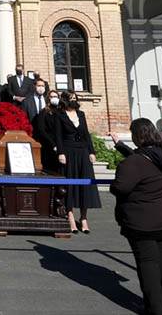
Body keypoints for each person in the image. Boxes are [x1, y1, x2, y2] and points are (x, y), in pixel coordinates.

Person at [110, 118, 162, 315]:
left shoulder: (133, 163)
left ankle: (155, 308)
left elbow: (120, 187)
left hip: (141, 221)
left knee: (147, 264)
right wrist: (122, 147)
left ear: (136, 136)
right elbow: (145, 162)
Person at [53, 91, 101, 233]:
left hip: (82, 152)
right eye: (71, 98)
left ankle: (84, 218)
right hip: (68, 152)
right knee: (71, 184)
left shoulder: (81, 114)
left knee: (84, 183)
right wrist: (61, 153)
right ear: (65, 100)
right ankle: (70, 215)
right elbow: (58, 136)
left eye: (75, 98)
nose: (74, 100)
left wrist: (91, 152)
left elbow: (86, 134)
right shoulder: (59, 115)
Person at [32, 88, 61, 173]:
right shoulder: (43, 112)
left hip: (60, 144)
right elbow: (41, 130)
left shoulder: (61, 112)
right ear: (48, 98)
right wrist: (53, 144)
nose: (53, 98)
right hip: (48, 145)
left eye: (55, 96)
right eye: (51, 97)